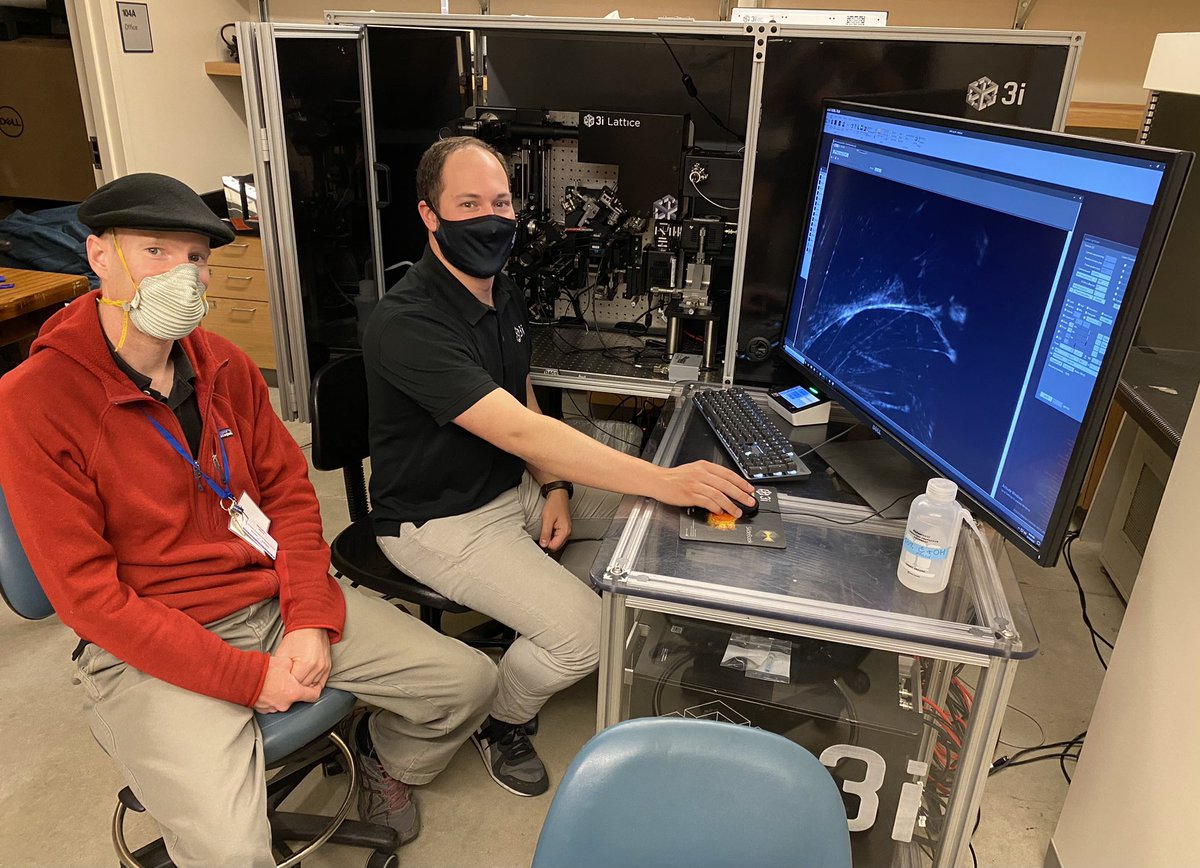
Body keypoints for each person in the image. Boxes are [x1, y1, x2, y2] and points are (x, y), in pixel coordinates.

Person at [0, 173, 498, 867]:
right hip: (149, 644)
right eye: (155, 252)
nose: (182, 275)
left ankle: (392, 763)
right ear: (99, 256)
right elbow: (89, 598)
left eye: (196, 258)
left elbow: (291, 501)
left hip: (266, 601)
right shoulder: (35, 400)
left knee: (469, 683)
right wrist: (249, 680)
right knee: (235, 855)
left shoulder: (225, 367)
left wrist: (308, 618)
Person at [363, 137, 755, 797]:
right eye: (468, 204)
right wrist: (665, 478)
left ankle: (538, 607)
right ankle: (499, 721)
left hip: (510, 487)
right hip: (439, 521)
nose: (490, 218)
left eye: (500, 201)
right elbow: (518, 427)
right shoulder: (408, 322)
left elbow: (520, 394)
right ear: (430, 216)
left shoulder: (499, 290)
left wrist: (555, 485)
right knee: (587, 635)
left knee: (649, 524)